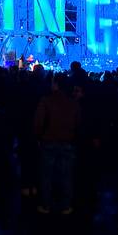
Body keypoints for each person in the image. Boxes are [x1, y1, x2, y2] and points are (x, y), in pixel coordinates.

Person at [34, 73, 81, 214]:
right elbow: (78, 123)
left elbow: (38, 122)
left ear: (55, 84)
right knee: (66, 175)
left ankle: (46, 205)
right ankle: (66, 205)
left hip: (48, 141)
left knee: (47, 175)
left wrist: (38, 137)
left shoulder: (46, 100)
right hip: (67, 141)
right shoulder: (73, 102)